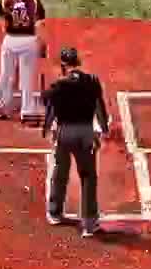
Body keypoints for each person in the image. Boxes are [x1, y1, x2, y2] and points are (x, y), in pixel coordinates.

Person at [41, 46, 111, 238]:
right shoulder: (92, 81)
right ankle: (89, 224)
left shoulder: (59, 85)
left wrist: (46, 128)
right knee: (88, 177)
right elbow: (99, 106)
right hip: (85, 133)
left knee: (60, 172)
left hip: (64, 133)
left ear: (63, 65)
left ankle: (55, 213)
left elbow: (50, 109)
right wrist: (104, 128)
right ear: (77, 63)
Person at [0, 0, 46, 122]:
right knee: (27, 77)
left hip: (11, 40)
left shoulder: (6, 0)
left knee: (6, 75)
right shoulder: (34, 0)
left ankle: (1, 106)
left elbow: (3, 23)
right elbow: (39, 24)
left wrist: (10, 34)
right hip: (29, 40)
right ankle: (27, 111)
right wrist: (41, 43)